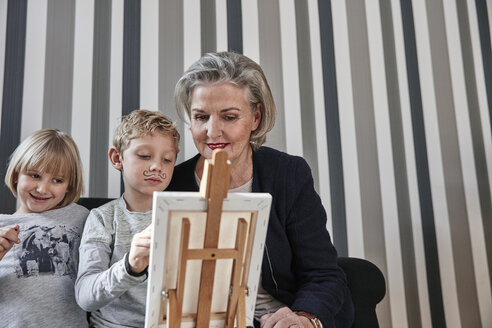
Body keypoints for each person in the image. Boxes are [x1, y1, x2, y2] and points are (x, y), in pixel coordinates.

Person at [169, 51, 354, 327]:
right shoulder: (171, 184)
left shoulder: (288, 175)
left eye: (229, 117)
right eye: (201, 117)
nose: (212, 131)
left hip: (280, 317)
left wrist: (303, 318)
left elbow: (323, 275)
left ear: (255, 117)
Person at [74, 109, 180, 327]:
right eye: (144, 156)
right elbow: (85, 296)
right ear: (117, 158)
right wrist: (130, 267)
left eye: (167, 159)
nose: (157, 166)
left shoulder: (183, 217)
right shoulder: (102, 218)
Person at [0, 128, 89, 328]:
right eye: (34, 175)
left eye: (57, 180)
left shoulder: (82, 217)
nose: (42, 189)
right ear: (16, 175)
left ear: (69, 185)